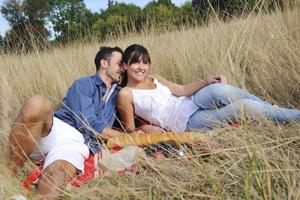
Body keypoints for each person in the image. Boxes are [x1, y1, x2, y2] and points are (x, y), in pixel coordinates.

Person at [7, 46, 131, 199]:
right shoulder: (84, 84)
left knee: (57, 175)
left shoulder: (119, 94)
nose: (123, 69)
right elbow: (87, 123)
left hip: (78, 144)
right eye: (119, 63)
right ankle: (6, 179)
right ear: (104, 63)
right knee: (37, 102)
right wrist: (127, 139)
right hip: (59, 129)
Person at [117, 44, 300, 134]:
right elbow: (130, 130)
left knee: (219, 88)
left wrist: (206, 81)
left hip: (190, 102)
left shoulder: (153, 78)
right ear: (125, 65)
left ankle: (274, 111)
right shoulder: (125, 94)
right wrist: (146, 128)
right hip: (187, 121)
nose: (141, 67)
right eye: (135, 62)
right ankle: (293, 116)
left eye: (145, 62)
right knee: (245, 107)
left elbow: (180, 90)